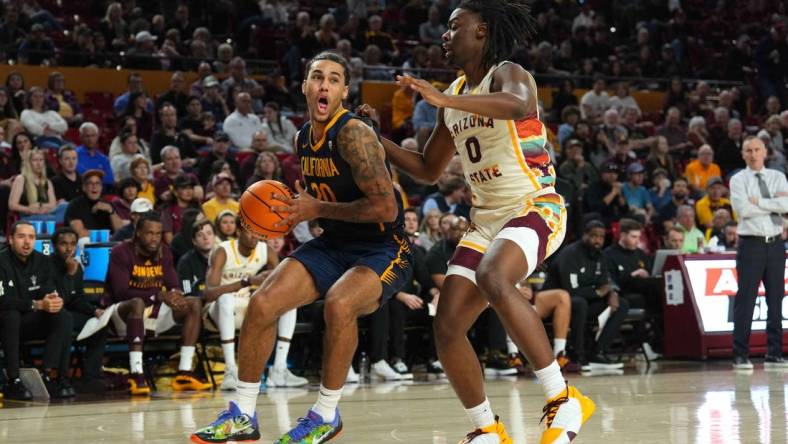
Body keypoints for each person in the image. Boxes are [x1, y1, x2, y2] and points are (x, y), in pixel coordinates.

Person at [356, 2, 594, 441]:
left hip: (535, 205)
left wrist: (443, 98)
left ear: (481, 31)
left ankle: (563, 399)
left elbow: (519, 104)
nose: (445, 35)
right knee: (445, 324)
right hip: (486, 221)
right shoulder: (456, 97)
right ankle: (486, 429)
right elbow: (429, 169)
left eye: (454, 27)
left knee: (493, 276)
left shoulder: (508, 73)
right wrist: (377, 140)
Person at [193, 51, 412, 444]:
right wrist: (299, 213)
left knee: (339, 304)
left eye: (333, 78)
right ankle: (242, 414)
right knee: (262, 303)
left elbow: (385, 206)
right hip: (335, 242)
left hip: (382, 246)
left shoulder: (354, 134)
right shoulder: (301, 138)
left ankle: (326, 414)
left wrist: (318, 207)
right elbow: (323, 198)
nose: (324, 84)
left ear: (344, 90)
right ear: (305, 86)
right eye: (317, 77)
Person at [104, 212, 212, 395]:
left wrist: (176, 295)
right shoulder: (120, 252)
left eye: (158, 233)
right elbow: (121, 292)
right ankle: (136, 374)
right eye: (149, 233)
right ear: (138, 232)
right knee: (137, 303)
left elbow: (173, 285)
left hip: (153, 313)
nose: (154, 238)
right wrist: (159, 295)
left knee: (193, 303)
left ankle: (185, 372)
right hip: (121, 315)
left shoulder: (165, 252)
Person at [729, 136, 788, 370]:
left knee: (776, 299)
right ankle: (740, 354)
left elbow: (787, 206)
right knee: (746, 299)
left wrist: (759, 202)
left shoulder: (778, 177)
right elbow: (743, 209)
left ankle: (774, 353)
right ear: (743, 154)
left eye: (757, 150)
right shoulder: (738, 180)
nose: (753, 154)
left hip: (775, 245)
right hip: (751, 244)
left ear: (765, 152)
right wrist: (772, 202)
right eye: (748, 150)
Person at [0, 221, 73, 400]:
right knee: (11, 315)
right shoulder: (1, 261)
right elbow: (3, 301)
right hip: (5, 323)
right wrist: (36, 304)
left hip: (29, 321)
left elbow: (47, 289)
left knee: (63, 316)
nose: (27, 242)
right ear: (10, 239)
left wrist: (52, 300)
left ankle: (51, 375)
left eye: (31, 237)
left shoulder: (42, 261)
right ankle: (13, 379)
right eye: (21, 236)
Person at [545, 220, 630, 370]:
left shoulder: (600, 256)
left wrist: (612, 293)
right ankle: (577, 354)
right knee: (579, 303)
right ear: (584, 235)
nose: (598, 240)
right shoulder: (570, 254)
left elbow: (605, 282)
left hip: (585, 300)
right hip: (557, 304)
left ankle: (597, 352)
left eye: (601, 237)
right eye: (594, 236)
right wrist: (598, 292)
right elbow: (569, 291)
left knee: (622, 304)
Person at [50, 226, 108, 393]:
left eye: (73, 244)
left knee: (100, 324)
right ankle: (62, 377)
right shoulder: (47, 266)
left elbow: (77, 299)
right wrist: (69, 274)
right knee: (66, 320)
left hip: (70, 313)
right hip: (53, 315)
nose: (69, 248)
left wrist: (94, 311)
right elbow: (57, 299)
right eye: (63, 244)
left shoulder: (78, 268)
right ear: (54, 246)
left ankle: (91, 375)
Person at [64, 170, 124, 241]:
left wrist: (111, 212)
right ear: (84, 187)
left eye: (97, 183)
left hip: (107, 245)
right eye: (90, 183)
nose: (94, 186)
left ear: (101, 187)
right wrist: (104, 236)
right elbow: (80, 233)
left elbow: (120, 232)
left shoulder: (108, 205)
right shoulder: (75, 205)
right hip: (85, 245)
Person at [75, 122, 114, 187]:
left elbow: (110, 179)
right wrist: (100, 174)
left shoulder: (103, 158)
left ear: (97, 137)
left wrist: (89, 173)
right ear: (81, 137)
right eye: (87, 136)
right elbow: (80, 176)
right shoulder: (75, 155)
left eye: (93, 136)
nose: (90, 139)